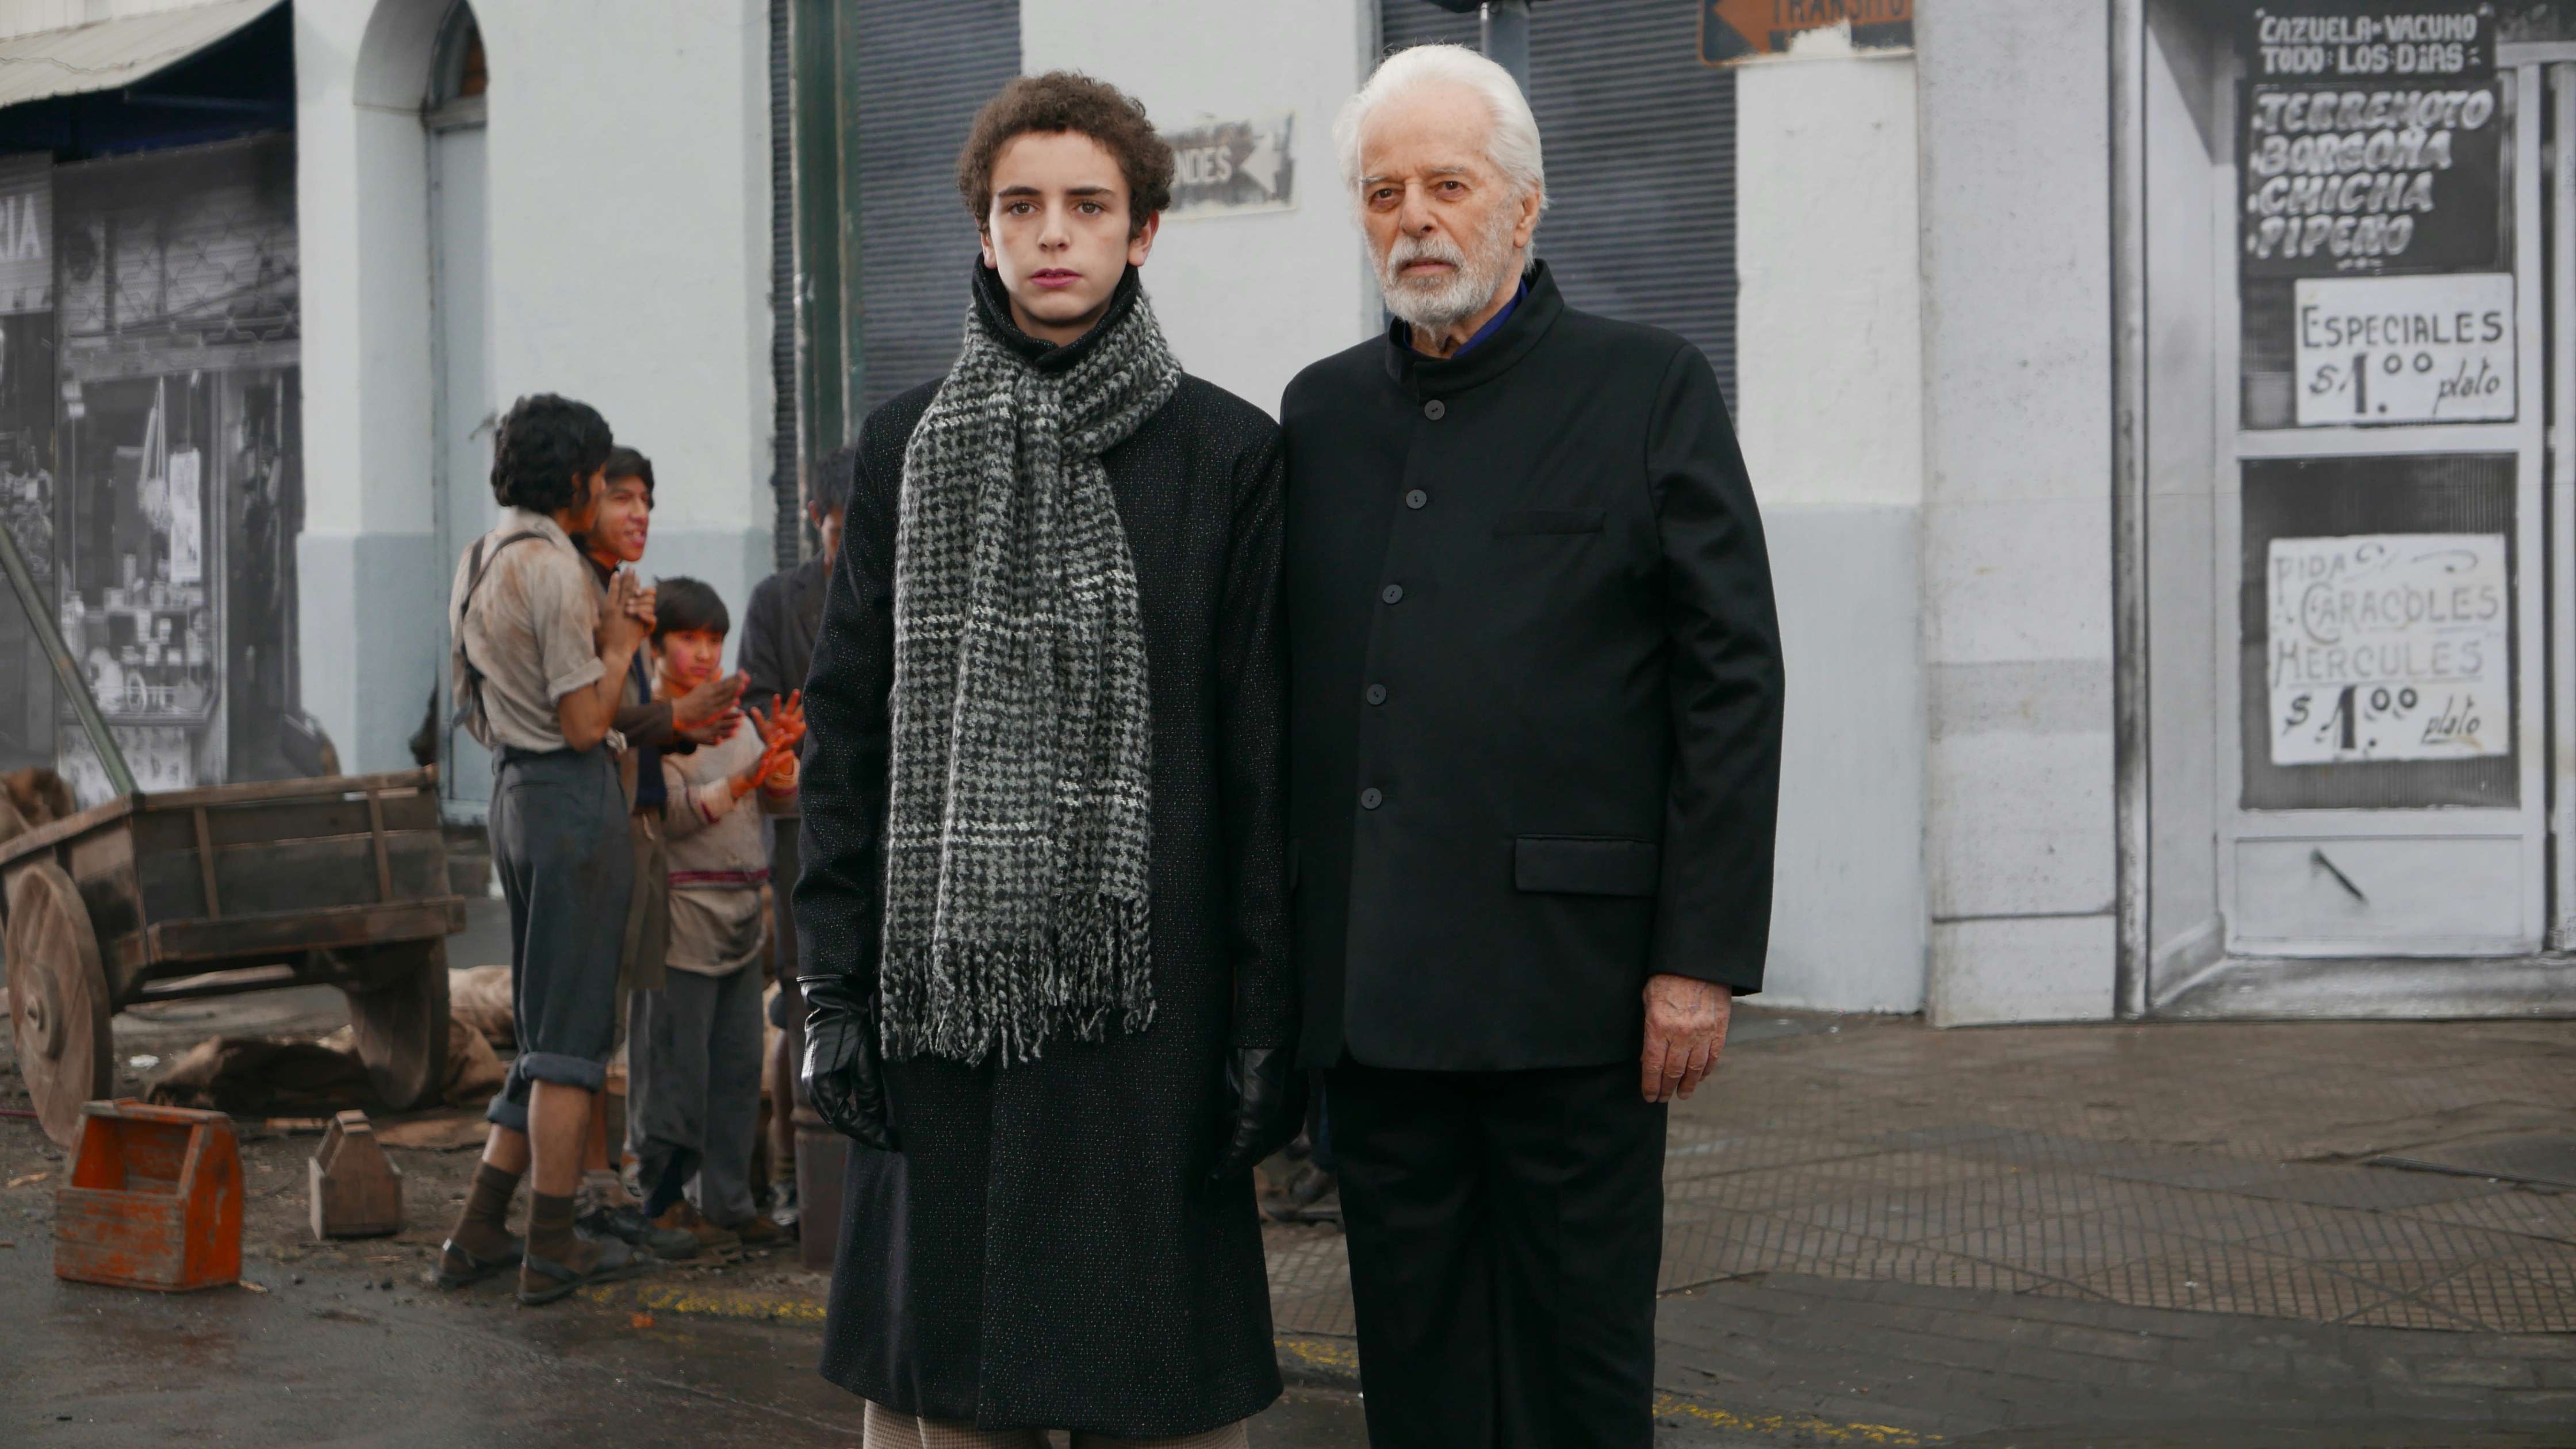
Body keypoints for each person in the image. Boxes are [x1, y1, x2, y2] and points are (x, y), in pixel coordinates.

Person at [1278, 44, 1785, 1448]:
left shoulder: (1648, 387)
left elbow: (1731, 683)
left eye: (1447, 185)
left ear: (1524, 203)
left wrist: (1698, 958)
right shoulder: (1319, 413)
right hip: (1378, 1007)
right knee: (1417, 1381)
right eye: (1383, 192)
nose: (1414, 221)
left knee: (1577, 1377)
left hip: (1578, 996)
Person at [795, 71, 1299, 1448]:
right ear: (984, 230)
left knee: (1156, 1394)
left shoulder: (1229, 454)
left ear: (1144, 231)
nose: (1053, 233)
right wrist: (829, 986)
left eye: (1088, 204)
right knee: (952, 1403)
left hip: (1151, 1025)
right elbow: (845, 734)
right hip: (941, 1027)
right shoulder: (904, 446)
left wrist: (1266, 1020)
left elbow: (1262, 763)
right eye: (1020, 206)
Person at [435, 393, 656, 1305]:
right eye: (602, 477)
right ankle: (553, 1243)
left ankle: (480, 1230)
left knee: (537, 1031)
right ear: (575, 480)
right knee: (570, 1041)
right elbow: (585, 724)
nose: (606, 491)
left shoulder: (478, 557)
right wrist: (621, 644)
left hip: (511, 799)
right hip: (570, 802)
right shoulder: (557, 569)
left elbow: (477, 707)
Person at [573, 446, 743, 1262]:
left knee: (623, 1031)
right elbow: (595, 726)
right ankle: (611, 1201)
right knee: (612, 1035)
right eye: (621, 497)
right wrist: (681, 725)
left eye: (646, 498)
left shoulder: (619, 598)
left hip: (642, 839)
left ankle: (629, 1199)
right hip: (609, 841)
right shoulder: (581, 598)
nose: (638, 513)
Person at [626, 576, 802, 1255]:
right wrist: (740, 783)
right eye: (688, 638)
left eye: (713, 640)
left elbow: (774, 806)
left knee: (734, 1070)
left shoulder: (736, 719)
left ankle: (729, 1203)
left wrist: (779, 767)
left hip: (740, 920)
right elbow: (669, 814)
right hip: (681, 921)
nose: (703, 654)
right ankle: (662, 1202)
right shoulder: (652, 720)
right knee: (674, 1073)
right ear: (656, 645)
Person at [735, 442, 854, 1209]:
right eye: (843, 532)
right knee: (802, 993)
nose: (857, 548)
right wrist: (797, 744)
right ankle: (791, 1176)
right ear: (815, 518)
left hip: (880, 836)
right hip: (801, 833)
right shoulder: (779, 603)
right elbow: (758, 710)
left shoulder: (906, 592)